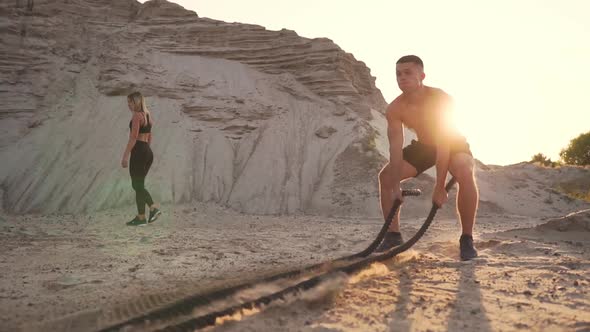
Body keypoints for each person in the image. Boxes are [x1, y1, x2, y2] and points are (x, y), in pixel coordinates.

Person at [376, 55, 478, 260]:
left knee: (464, 169)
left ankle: (467, 239)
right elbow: (395, 149)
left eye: (408, 73)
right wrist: (395, 184)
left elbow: (443, 144)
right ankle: (393, 236)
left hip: (450, 141)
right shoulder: (395, 108)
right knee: (386, 177)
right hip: (424, 146)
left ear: (421, 76)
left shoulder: (440, 99)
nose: (402, 77)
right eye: (398, 74)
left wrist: (439, 187)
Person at [121, 91, 161, 226]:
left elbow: (133, 137)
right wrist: (146, 150)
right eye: (128, 102)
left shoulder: (137, 116)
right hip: (147, 151)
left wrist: (125, 155)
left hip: (139, 151)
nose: (128, 105)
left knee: (137, 185)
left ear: (136, 102)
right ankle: (141, 217)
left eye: (130, 102)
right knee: (138, 185)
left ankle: (152, 208)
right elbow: (150, 136)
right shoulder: (147, 115)